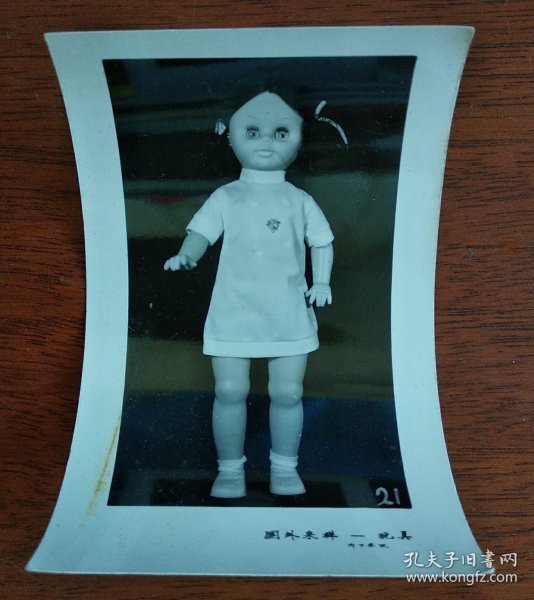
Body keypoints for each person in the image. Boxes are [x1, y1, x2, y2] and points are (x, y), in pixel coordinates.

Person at [164, 91, 334, 498]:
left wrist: (322, 281)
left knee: (288, 393)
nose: (267, 142)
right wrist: (187, 255)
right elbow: (201, 233)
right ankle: (229, 472)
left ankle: (285, 468)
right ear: (230, 135)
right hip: (234, 309)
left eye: (281, 132)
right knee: (228, 391)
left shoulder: (299, 200)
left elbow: (321, 241)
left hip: (287, 311)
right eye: (253, 131)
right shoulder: (227, 196)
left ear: (299, 138)